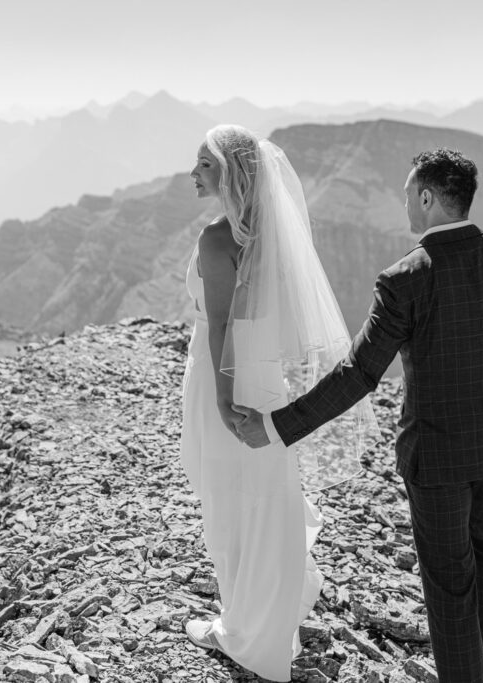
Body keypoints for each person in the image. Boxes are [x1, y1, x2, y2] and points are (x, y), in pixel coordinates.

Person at [235, 148, 483, 683]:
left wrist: (276, 426)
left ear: (428, 198)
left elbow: (360, 374)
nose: (404, 201)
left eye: (409, 192)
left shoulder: (406, 278)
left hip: (436, 457)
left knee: (448, 576)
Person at [179, 124, 378, 682]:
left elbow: (219, 325)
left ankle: (243, 632)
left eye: (205, 165)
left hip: (227, 377)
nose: (193, 173)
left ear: (232, 173)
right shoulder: (273, 231)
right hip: (264, 378)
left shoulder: (218, 238)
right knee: (267, 496)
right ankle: (269, 610)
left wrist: (222, 398)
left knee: (227, 500)